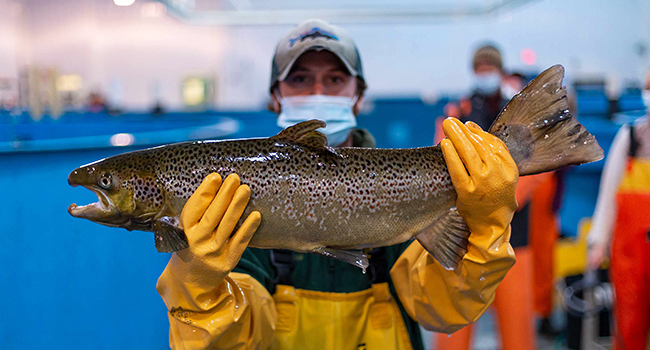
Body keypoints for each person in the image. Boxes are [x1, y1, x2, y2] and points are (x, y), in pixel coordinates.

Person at [156, 20, 519, 350]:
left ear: (359, 96)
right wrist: (199, 287)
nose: (318, 91)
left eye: (334, 80)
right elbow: (241, 340)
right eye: (299, 79)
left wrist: (485, 229)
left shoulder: (400, 187)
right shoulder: (239, 197)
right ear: (274, 96)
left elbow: (442, 308)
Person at [436, 44, 547, 350]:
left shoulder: (520, 115)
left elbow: (539, 168)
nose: (485, 73)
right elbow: (442, 163)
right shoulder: (456, 113)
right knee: (453, 329)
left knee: (518, 328)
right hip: (464, 242)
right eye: (480, 68)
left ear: (499, 69)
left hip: (514, 239)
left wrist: (504, 199)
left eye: (490, 67)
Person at [587, 71, 650, 350]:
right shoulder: (632, 137)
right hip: (630, 255)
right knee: (628, 323)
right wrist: (597, 242)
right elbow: (608, 194)